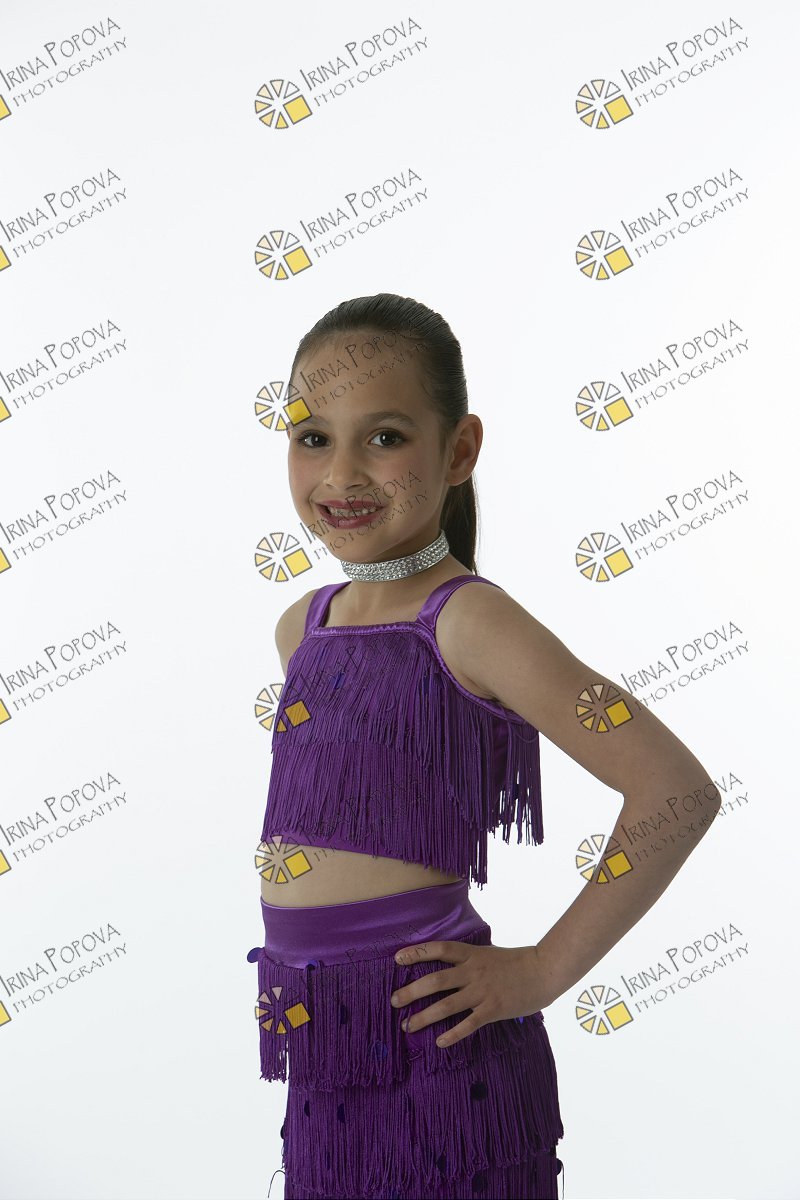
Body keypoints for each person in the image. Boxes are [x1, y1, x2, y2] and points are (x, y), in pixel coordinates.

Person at [249, 293, 722, 1200]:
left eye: (385, 437)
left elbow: (675, 790)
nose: (341, 472)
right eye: (312, 437)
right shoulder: (303, 628)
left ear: (459, 451)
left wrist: (543, 969)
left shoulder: (469, 622)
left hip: (443, 1060)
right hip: (325, 1054)